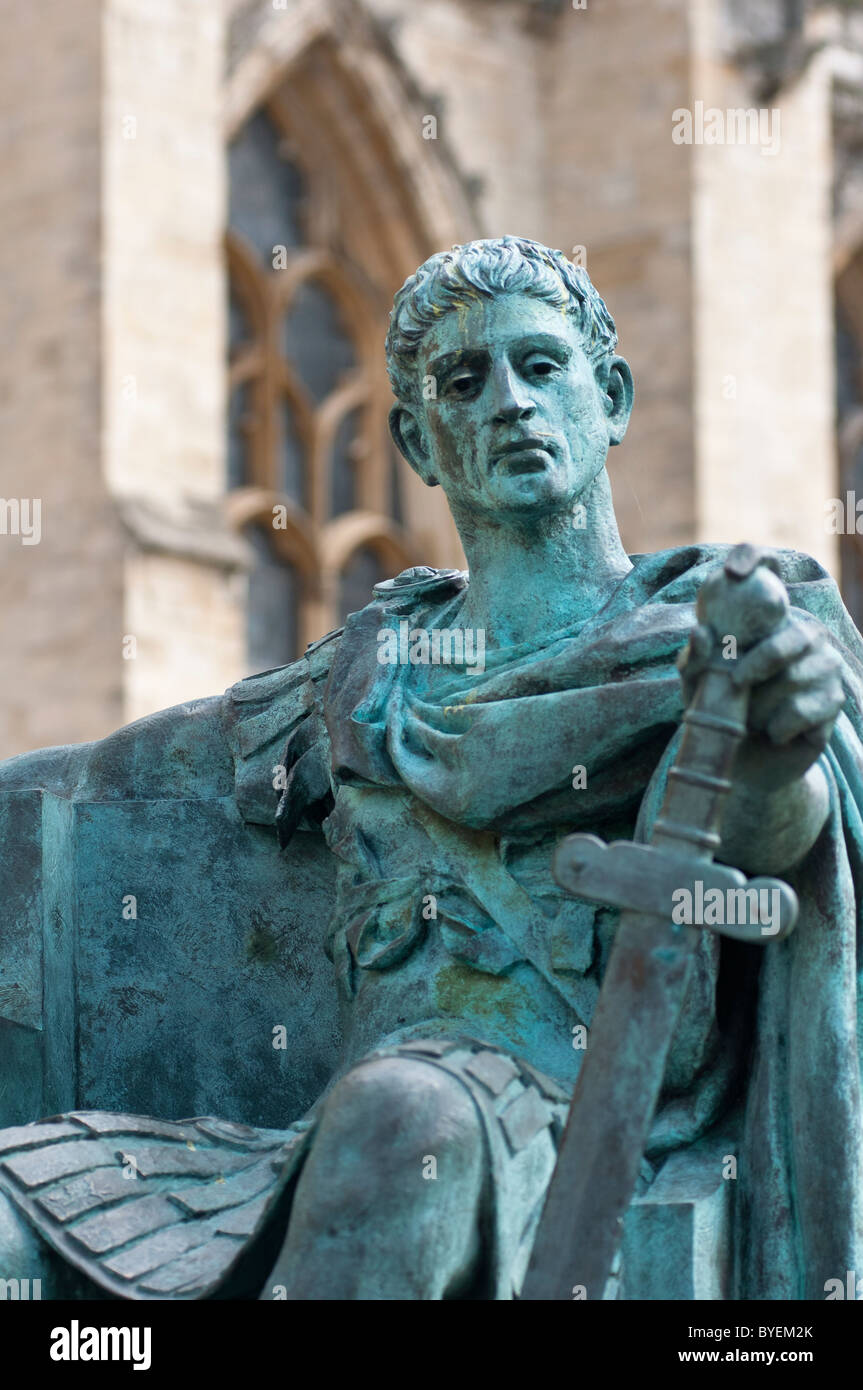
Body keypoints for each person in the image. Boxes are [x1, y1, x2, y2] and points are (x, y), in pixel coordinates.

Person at [0, 238, 858, 1300]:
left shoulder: (704, 640)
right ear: (415, 440)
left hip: (561, 1127)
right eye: (464, 381)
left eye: (540, 367)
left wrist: (778, 753)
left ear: (612, 396)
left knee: (404, 1123)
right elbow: (117, 781)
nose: (507, 401)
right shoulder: (368, 673)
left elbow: (775, 840)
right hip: (333, 1132)